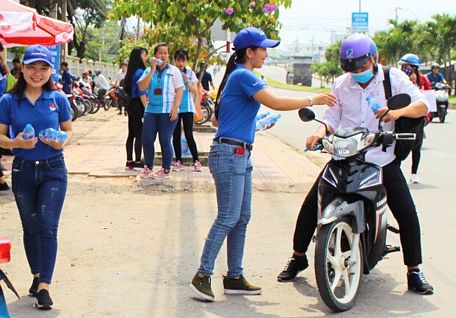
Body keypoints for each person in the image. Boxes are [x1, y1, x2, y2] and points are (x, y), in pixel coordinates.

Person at [277, 33, 434, 296]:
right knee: (310, 206)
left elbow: (421, 105)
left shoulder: (393, 78)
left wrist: (396, 113)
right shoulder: (342, 83)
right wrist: (321, 131)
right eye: (352, 69)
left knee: (406, 212)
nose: (357, 74)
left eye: (362, 68)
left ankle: (414, 270)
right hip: (344, 155)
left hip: (381, 158)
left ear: (374, 58)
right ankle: (298, 256)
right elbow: (333, 117)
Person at [188, 27, 336, 302]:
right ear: (249, 52)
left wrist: (255, 123)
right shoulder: (244, 75)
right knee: (228, 217)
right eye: (263, 49)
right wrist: (313, 98)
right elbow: (276, 101)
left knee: (241, 219)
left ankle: (234, 277)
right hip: (231, 154)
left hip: (239, 154)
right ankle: (202, 275)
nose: (266, 54)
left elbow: (223, 121)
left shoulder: (238, 76)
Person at [0, 45, 73, 309]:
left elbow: (68, 131)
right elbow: (1, 136)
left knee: (47, 225)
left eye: (44, 68)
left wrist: (60, 142)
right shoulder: (8, 101)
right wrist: (15, 143)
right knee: (30, 227)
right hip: (23, 171)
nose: (37, 73)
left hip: (54, 169)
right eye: (32, 67)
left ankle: (45, 287)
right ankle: (36, 275)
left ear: (51, 70)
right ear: (22, 68)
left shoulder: (58, 98)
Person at [138, 43, 184, 179]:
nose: (163, 56)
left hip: (167, 111)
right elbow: (141, 87)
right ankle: (148, 167)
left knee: (165, 139)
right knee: (147, 139)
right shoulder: (148, 71)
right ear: (155, 55)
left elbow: (179, 90)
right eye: (160, 53)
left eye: (165, 53)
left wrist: (175, 108)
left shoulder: (174, 71)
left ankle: (165, 169)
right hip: (151, 111)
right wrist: (152, 70)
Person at [398, 53, 431, 184]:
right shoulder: (398, 78)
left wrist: (427, 115)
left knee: (417, 146)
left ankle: (414, 173)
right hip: (401, 116)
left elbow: (429, 97)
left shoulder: (422, 80)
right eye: (403, 66)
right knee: (399, 145)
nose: (405, 68)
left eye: (408, 66)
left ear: (414, 67)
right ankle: (396, 172)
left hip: (418, 118)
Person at [172, 49, 202, 172]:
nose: (180, 63)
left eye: (183, 60)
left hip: (188, 108)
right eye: (178, 60)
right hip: (175, 108)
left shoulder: (190, 73)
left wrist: (187, 81)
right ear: (174, 61)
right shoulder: (171, 72)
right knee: (176, 134)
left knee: (189, 134)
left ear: (186, 61)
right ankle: (178, 161)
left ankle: (196, 161)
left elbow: (196, 91)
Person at [123, 47, 148, 170]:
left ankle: (129, 160)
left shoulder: (131, 72)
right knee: (139, 133)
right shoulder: (140, 72)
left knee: (131, 133)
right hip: (139, 103)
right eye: (144, 55)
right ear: (139, 57)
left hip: (131, 104)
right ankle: (138, 160)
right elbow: (141, 90)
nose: (146, 58)